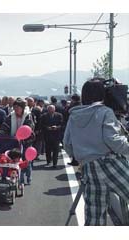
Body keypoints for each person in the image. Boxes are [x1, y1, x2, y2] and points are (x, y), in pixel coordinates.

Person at [63, 78, 129, 226]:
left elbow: (67, 144)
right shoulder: (105, 112)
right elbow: (115, 142)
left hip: (89, 169)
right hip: (111, 164)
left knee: (95, 217)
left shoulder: (74, 115)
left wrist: (83, 155)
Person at [0, 98, 34, 185]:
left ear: (22, 108)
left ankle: (28, 177)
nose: (16, 109)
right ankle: (18, 179)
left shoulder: (28, 116)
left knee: (25, 160)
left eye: (18, 107)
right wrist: (1, 132)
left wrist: (22, 137)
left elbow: (29, 128)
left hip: (26, 141)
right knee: (15, 160)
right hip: (13, 141)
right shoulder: (11, 116)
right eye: (15, 107)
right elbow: (5, 126)